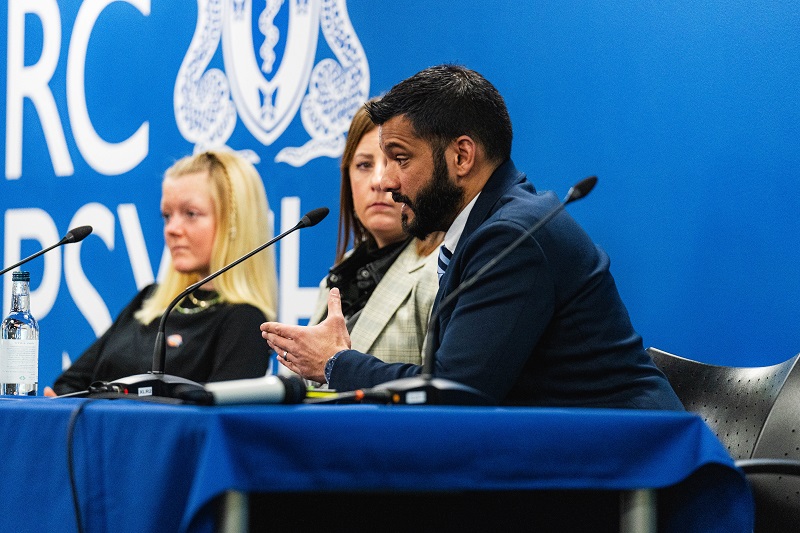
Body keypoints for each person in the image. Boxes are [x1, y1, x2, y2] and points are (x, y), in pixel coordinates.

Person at [261, 64, 683, 409]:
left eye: (400, 159)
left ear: (461, 156)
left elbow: (454, 392)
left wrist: (337, 363)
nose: (386, 182)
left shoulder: (513, 237)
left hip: (630, 478)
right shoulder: (486, 228)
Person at [48, 150, 278, 395]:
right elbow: (67, 386)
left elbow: (215, 420)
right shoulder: (149, 300)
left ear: (235, 223)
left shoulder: (244, 321)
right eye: (167, 216)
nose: (172, 229)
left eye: (191, 214)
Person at [305, 101, 441, 365]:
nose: (379, 181)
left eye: (399, 161)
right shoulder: (340, 273)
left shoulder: (440, 271)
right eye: (365, 165)